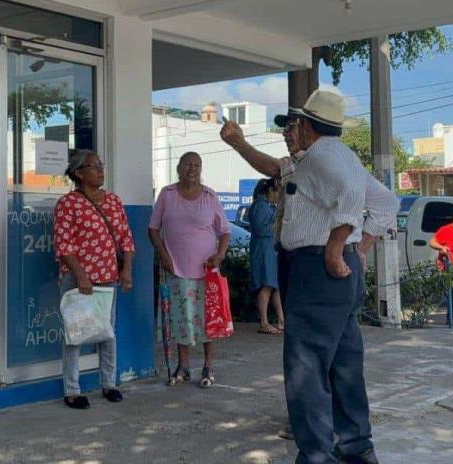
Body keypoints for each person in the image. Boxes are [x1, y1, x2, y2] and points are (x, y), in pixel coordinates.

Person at [221, 90, 399, 464]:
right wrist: (359, 249)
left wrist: (337, 247)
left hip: (318, 270)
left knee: (307, 370)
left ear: (306, 125)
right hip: (334, 277)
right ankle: (356, 448)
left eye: (291, 125)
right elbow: (385, 204)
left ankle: (318, 456)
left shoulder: (322, 159)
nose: (288, 132)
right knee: (345, 366)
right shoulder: (327, 158)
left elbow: (351, 197)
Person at [53, 149, 135, 410]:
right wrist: (81, 276)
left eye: (101, 165)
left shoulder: (113, 201)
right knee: (74, 335)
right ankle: (72, 390)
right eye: (93, 166)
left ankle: (109, 384)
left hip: (107, 279)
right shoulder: (68, 204)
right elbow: (64, 246)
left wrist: (127, 270)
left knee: (106, 333)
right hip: (79, 281)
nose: (100, 170)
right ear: (78, 173)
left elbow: (126, 239)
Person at [149, 152, 231, 388]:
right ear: (178, 168)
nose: (192, 169)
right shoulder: (168, 194)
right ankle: (183, 366)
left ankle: (208, 365)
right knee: (180, 317)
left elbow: (224, 231)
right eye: (187, 164)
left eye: (197, 165)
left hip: (206, 268)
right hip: (175, 266)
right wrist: (163, 255)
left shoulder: (209, 195)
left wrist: (220, 254)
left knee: (208, 318)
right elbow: (153, 229)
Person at [248, 178, 284, 335]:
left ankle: (281, 319)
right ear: (270, 191)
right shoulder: (260, 206)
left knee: (273, 284)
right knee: (266, 284)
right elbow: (260, 228)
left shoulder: (266, 206)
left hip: (270, 248)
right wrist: (278, 227)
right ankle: (264, 322)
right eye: (277, 192)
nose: (279, 195)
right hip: (263, 249)